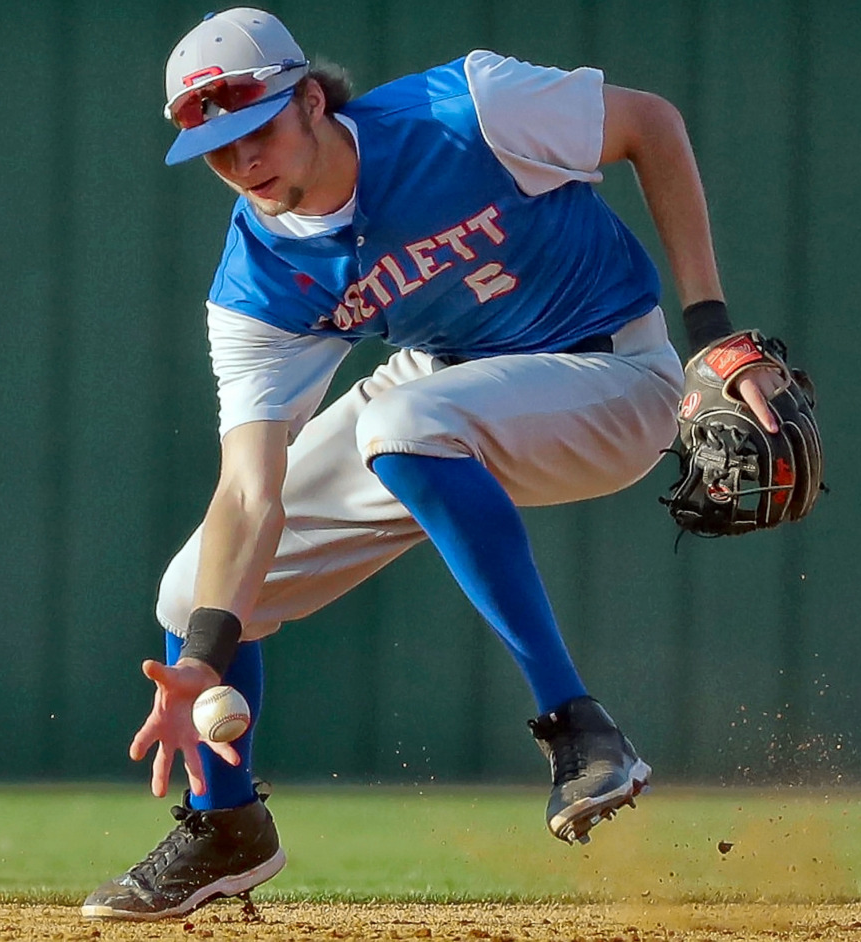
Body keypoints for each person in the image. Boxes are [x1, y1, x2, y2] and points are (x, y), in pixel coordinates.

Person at [81, 6, 781, 921]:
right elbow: (249, 492)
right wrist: (207, 659)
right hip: (446, 394)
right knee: (193, 593)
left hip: (616, 374)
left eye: (255, 129)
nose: (243, 161)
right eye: (216, 149)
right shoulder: (258, 279)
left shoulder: (469, 110)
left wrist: (708, 334)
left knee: (405, 421)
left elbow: (650, 124)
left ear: (313, 100)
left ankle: (577, 726)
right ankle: (227, 823)